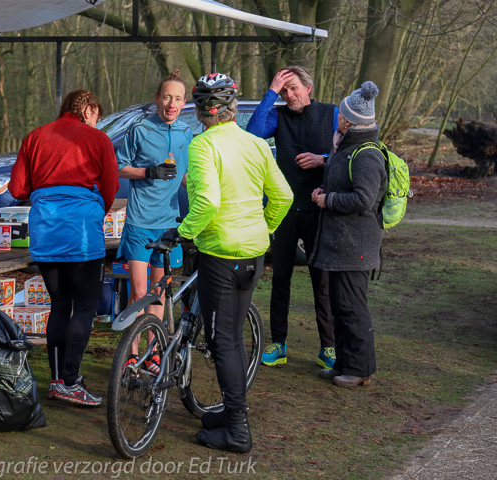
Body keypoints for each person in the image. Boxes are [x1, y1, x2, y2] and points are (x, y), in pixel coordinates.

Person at [163, 73, 292, 453]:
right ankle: (227, 414)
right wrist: (262, 230)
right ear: (231, 108)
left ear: (205, 110)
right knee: (231, 338)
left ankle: (237, 429)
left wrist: (182, 233)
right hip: (252, 253)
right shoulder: (255, 143)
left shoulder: (203, 146)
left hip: (220, 254)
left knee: (222, 342)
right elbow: (282, 195)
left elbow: (206, 204)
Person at [8, 89, 119, 406]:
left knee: (59, 305)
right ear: (89, 110)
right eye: (98, 115)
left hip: (45, 231)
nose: (98, 122)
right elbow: (110, 187)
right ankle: (70, 381)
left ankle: (58, 379)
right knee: (85, 306)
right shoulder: (97, 140)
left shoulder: (35, 137)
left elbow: (17, 188)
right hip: (83, 233)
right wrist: (97, 210)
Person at [246, 66, 339, 370]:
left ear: (308, 88)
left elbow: (350, 154)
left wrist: (322, 160)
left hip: (319, 209)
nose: (290, 95)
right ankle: (278, 343)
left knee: (321, 280)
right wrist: (271, 91)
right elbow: (252, 133)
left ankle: (328, 347)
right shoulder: (279, 116)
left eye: (294, 88)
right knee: (280, 279)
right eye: (284, 91)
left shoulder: (331, 114)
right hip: (285, 209)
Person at [115, 70, 192, 373]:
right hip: (139, 223)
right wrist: (149, 172)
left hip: (168, 224)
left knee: (159, 293)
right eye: (166, 97)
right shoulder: (141, 129)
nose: (171, 103)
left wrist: (207, 195)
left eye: (177, 98)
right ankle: (130, 355)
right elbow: (119, 166)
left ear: (184, 102)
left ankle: (154, 352)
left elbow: (185, 177)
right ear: (158, 99)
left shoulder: (187, 133)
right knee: (138, 292)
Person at [310, 81, 386, 387]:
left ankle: (360, 369)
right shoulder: (348, 147)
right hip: (342, 243)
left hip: (356, 244)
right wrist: (324, 191)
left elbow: (364, 199)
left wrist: (328, 200)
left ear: (350, 120)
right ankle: (344, 362)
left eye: (341, 114)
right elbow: (345, 186)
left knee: (353, 307)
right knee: (341, 304)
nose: (337, 117)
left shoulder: (366, 154)